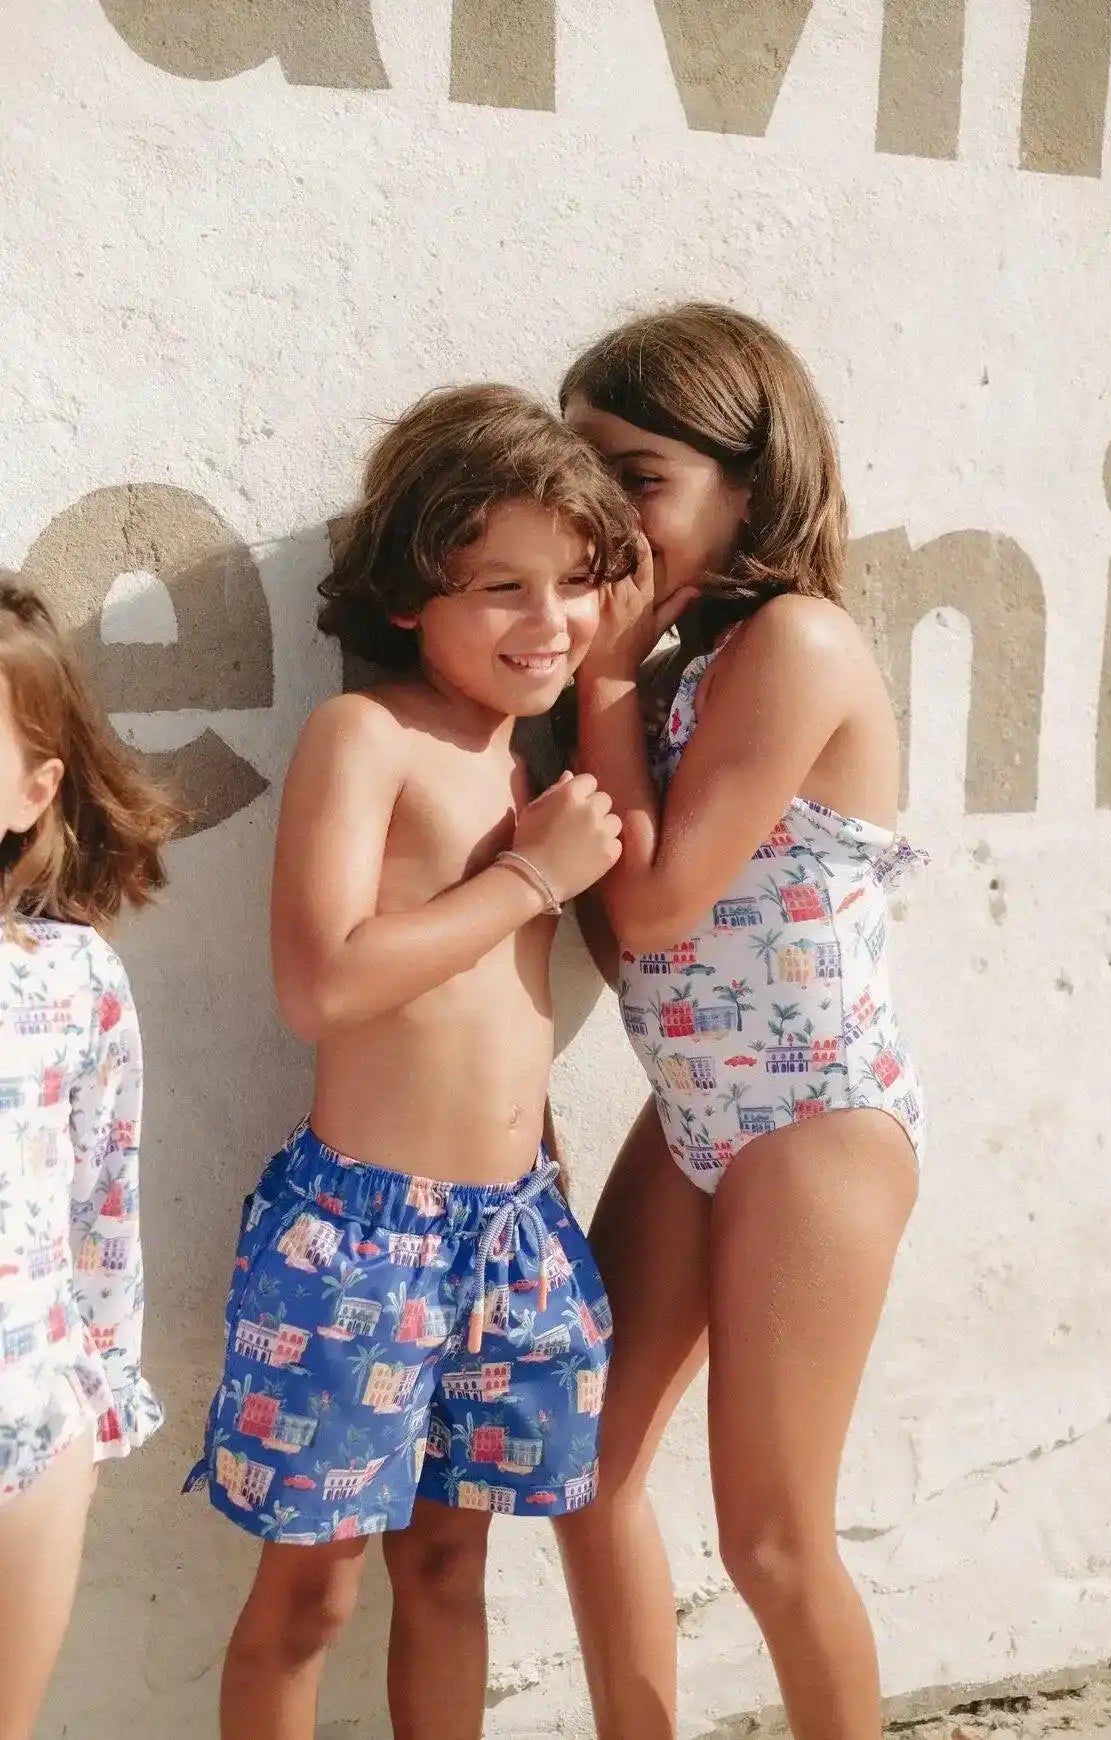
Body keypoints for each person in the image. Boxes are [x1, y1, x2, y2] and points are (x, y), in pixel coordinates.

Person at [184, 385, 635, 1740]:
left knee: (450, 1567)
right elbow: (321, 984)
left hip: (512, 1230)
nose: (545, 619)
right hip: (362, 1242)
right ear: (405, 595)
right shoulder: (367, 739)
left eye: (575, 581)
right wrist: (531, 880)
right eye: (500, 584)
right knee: (310, 1599)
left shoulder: (531, 761)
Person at [552, 304, 927, 1740]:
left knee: (772, 1540)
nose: (605, 514)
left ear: (752, 483)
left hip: (815, 1118)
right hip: (697, 1112)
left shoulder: (799, 641)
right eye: (581, 476)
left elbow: (645, 914)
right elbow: (620, 920)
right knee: (581, 1467)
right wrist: (605, 697)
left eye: (637, 477)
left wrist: (596, 690)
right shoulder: (671, 677)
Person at [0, 578, 181, 1740]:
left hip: (29, 1440)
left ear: (33, 788)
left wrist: (95, 1402)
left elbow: (102, 1207)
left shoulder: (72, 983)